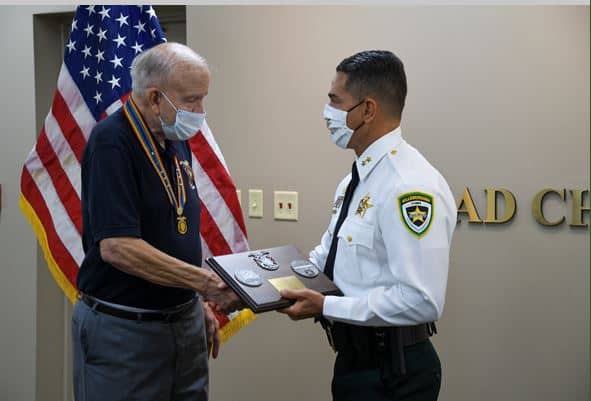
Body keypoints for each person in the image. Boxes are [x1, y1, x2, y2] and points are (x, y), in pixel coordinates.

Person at [279, 50, 457, 401]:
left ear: (368, 109)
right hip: (355, 362)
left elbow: (421, 300)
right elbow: (323, 259)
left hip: (395, 373)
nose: (326, 113)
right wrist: (253, 288)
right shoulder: (357, 179)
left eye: (335, 101)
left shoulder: (408, 186)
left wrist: (325, 306)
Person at [72, 42, 241, 401]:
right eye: (192, 100)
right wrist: (204, 284)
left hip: (182, 324)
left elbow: (174, 224)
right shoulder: (112, 143)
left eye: (203, 98)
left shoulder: (174, 136)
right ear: (154, 98)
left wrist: (192, 302)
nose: (200, 111)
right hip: (125, 331)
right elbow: (118, 248)